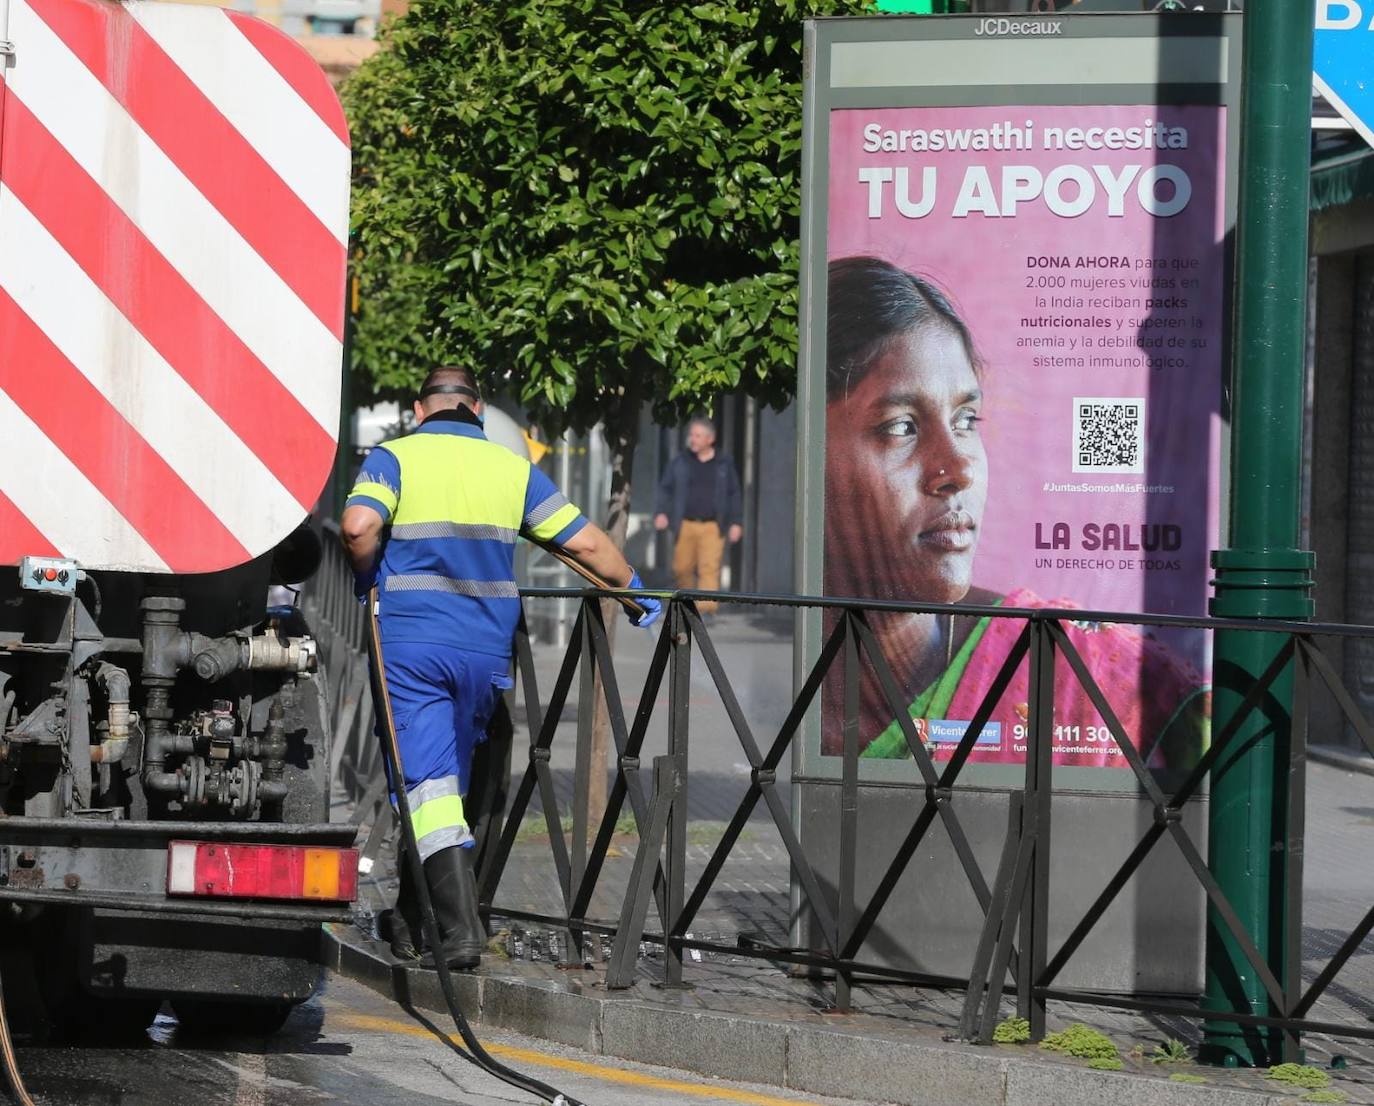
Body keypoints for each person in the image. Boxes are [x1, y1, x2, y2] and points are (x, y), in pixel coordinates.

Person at [822, 256, 1206, 774]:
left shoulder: (1087, 673)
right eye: (901, 427)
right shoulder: (798, 698)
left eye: (966, 419)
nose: (957, 469)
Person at [341, 367, 661, 970]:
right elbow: (585, 545)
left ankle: (459, 932)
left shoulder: (394, 459)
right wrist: (639, 595)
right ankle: (417, 924)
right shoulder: (512, 471)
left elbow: (359, 527)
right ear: (478, 410)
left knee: (427, 785)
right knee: (449, 782)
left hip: (412, 648)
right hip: (487, 653)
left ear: (419, 409)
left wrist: (366, 582)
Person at [653, 416, 744, 614]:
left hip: (713, 525)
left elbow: (734, 492)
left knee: (709, 568)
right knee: (681, 568)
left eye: (697, 435)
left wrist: (736, 522)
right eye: (691, 435)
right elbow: (665, 489)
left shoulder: (723, 463)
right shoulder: (680, 462)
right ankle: (686, 606)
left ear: (710, 439)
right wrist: (661, 512)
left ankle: (706, 610)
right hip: (685, 523)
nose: (692, 439)